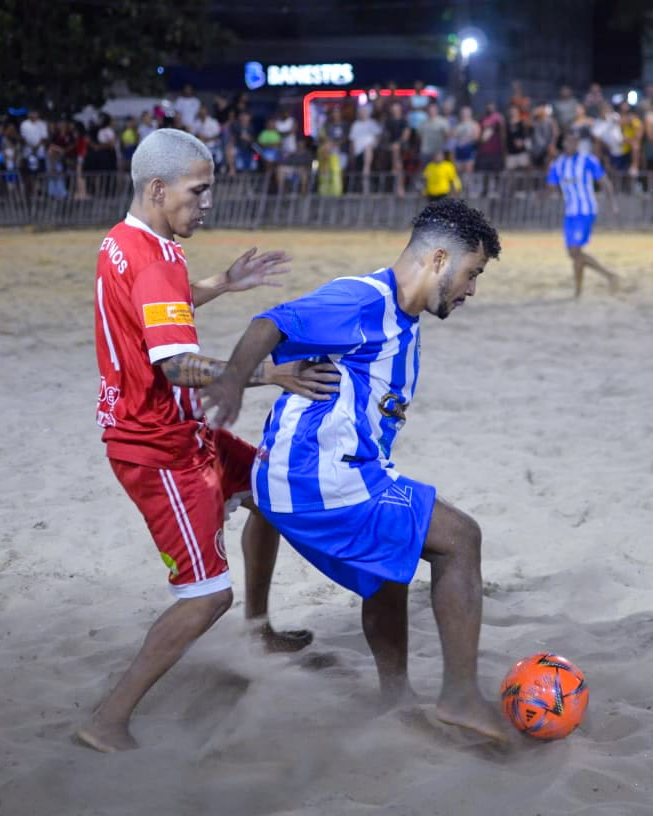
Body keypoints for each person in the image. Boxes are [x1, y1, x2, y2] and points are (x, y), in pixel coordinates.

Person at [201, 198, 509, 743]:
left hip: (294, 474)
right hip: (318, 479)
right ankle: (460, 696)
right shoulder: (363, 299)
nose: (472, 290)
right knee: (460, 538)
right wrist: (231, 382)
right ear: (439, 259)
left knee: (390, 560)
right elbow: (267, 322)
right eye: (472, 273)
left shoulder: (402, 317)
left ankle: (390, 693)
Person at [79, 129, 339, 753]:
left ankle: (260, 629)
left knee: (271, 490)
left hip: (183, 431)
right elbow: (176, 366)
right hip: (158, 449)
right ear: (158, 188)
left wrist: (222, 282)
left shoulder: (127, 243)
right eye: (199, 192)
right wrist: (267, 373)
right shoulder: (153, 256)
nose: (208, 203)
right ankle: (107, 720)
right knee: (204, 596)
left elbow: (162, 300)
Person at [547, 134, 620, 297]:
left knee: (574, 251)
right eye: (569, 140)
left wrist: (613, 203)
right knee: (575, 254)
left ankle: (609, 275)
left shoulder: (588, 160)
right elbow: (551, 186)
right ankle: (578, 290)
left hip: (585, 211)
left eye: (575, 141)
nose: (572, 143)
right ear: (564, 142)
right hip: (570, 213)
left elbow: (605, 182)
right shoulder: (557, 164)